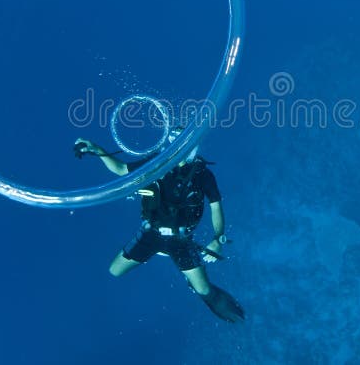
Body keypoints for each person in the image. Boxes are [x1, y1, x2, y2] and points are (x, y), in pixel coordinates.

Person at [73, 134, 245, 323]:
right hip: (150, 233)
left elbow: (216, 207)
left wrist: (217, 238)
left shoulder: (202, 175)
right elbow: (121, 169)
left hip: (181, 240)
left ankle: (234, 315)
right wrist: (97, 149)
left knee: (203, 290)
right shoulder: (156, 164)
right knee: (114, 271)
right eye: (176, 142)